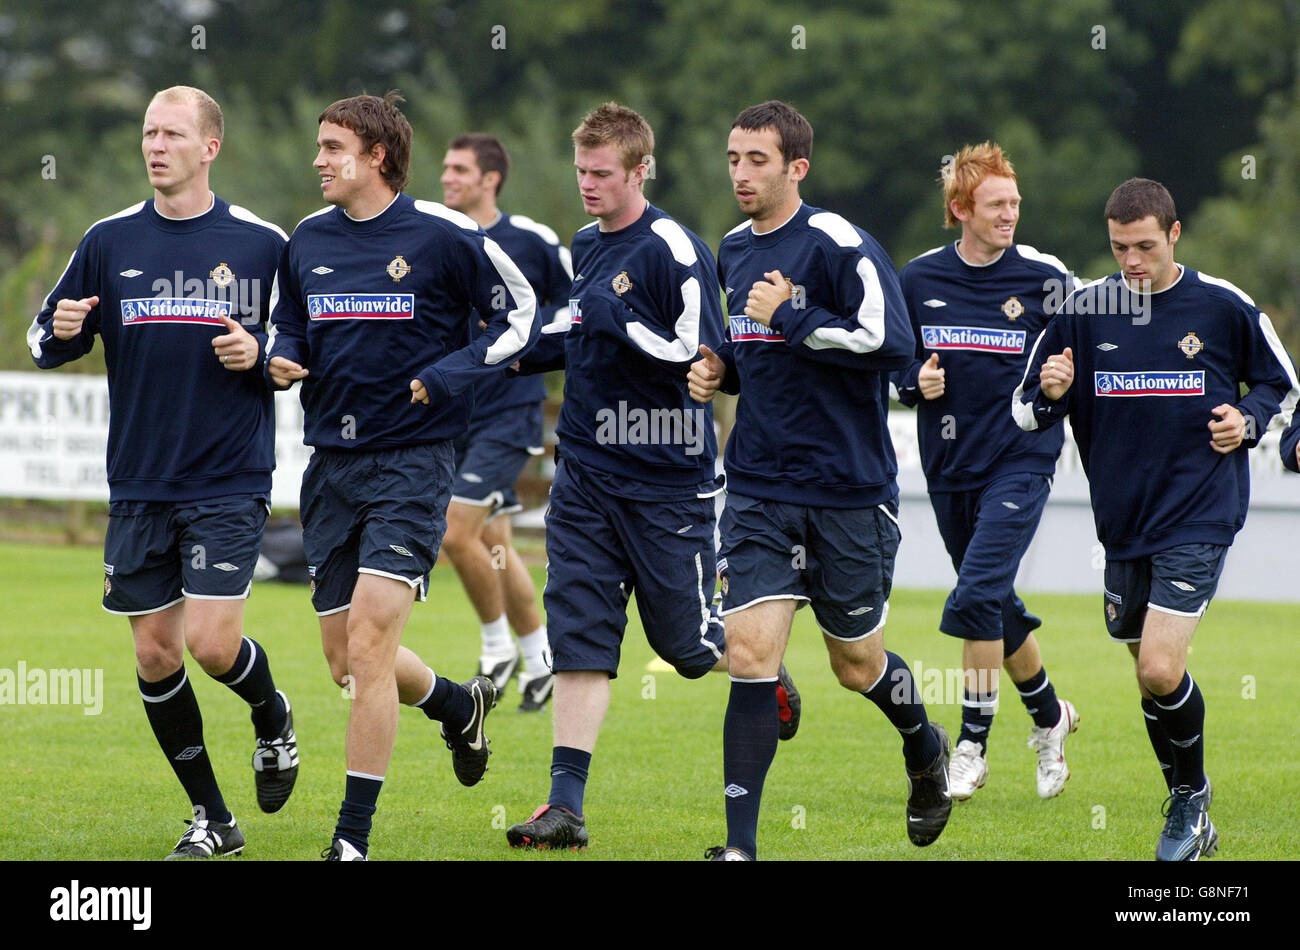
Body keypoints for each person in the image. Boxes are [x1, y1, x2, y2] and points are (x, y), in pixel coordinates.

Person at [504, 102, 798, 852]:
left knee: (691, 650)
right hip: (586, 477)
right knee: (578, 634)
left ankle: (766, 674)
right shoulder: (583, 244)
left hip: (667, 482)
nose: (589, 186)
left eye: (603, 174)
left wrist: (651, 341)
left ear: (640, 169)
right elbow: (580, 335)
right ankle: (564, 805)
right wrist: (493, 353)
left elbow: (705, 356)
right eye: (582, 172)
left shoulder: (675, 248)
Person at [266, 92, 539, 861]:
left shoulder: (446, 234)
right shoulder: (307, 238)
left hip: (415, 464)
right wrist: (282, 354)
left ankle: (350, 841)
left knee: (372, 639)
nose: (317, 160)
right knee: (346, 662)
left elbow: (521, 316)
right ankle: (458, 706)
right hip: (331, 467)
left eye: (331, 146)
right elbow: (290, 321)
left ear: (377, 155)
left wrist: (453, 372)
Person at [28, 86, 297, 859]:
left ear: (210, 147)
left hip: (227, 475)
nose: (156, 145)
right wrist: (63, 329)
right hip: (139, 480)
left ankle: (271, 713)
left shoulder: (260, 243)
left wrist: (261, 355)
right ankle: (214, 818)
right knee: (154, 654)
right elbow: (47, 337)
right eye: (149, 132)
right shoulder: (108, 240)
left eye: (173, 133)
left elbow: (297, 344)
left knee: (214, 646)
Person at [691, 100, 950, 861]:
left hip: (848, 494)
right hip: (760, 489)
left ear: (797, 167)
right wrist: (719, 370)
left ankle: (923, 743)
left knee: (856, 664)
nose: (740, 173)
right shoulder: (731, 250)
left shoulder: (841, 245)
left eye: (757, 160)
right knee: (748, 657)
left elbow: (888, 342)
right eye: (734, 158)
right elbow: (749, 351)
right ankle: (741, 849)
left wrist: (791, 320)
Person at [1014, 177, 1298, 860]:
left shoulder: (1222, 305)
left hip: (1201, 512)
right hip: (1122, 524)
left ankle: (1190, 800)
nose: (1132, 262)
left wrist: (1248, 419)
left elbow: (1282, 387)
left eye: (1145, 246)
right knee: (1147, 667)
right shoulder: (1083, 311)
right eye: (1119, 248)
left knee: (1160, 668)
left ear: (1174, 235)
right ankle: (1189, 809)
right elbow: (1025, 410)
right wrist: (1051, 391)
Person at [893, 143, 1079, 802]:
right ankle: (1052, 716)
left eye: (1015, 203)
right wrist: (912, 380)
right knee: (993, 601)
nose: (1010, 215)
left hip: (1021, 458)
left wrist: (1064, 378)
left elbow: (1084, 353)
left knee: (974, 597)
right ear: (960, 208)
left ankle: (970, 745)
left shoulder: (1047, 275)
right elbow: (893, 360)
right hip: (949, 468)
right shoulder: (916, 279)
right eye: (997, 204)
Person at [438, 133, 572, 711]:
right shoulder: (437, 234)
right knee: (494, 543)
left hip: (508, 411)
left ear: (490, 178)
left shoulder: (532, 240)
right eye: (445, 168)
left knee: (454, 530)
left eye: (459, 169)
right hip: (453, 413)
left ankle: (498, 651)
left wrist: (525, 338)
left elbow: (576, 305)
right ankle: (541, 658)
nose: (447, 178)